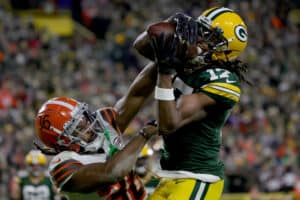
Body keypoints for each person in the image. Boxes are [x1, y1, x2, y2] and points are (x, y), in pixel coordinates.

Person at [133, 6, 250, 200]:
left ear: (225, 51)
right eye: (200, 29)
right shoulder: (187, 59)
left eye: (210, 37)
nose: (200, 37)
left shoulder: (223, 80)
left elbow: (169, 124)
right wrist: (170, 23)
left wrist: (164, 72)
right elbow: (141, 45)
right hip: (170, 175)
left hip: (198, 177)